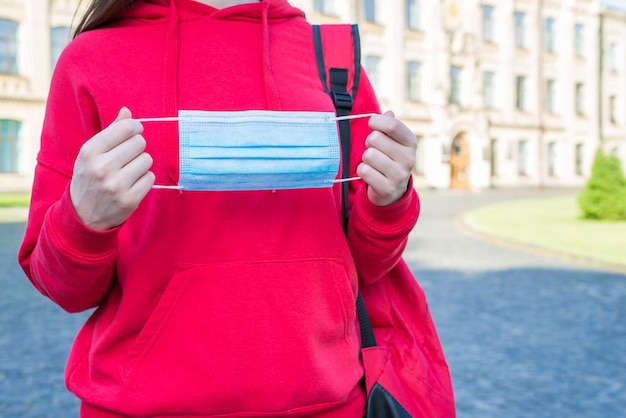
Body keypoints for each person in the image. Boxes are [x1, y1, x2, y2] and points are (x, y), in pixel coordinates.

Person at [18, 0, 423, 416]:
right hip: (139, 408)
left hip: (328, 404)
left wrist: (390, 201)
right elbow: (62, 287)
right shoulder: (91, 58)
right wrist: (83, 221)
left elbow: (369, 266)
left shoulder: (334, 56)